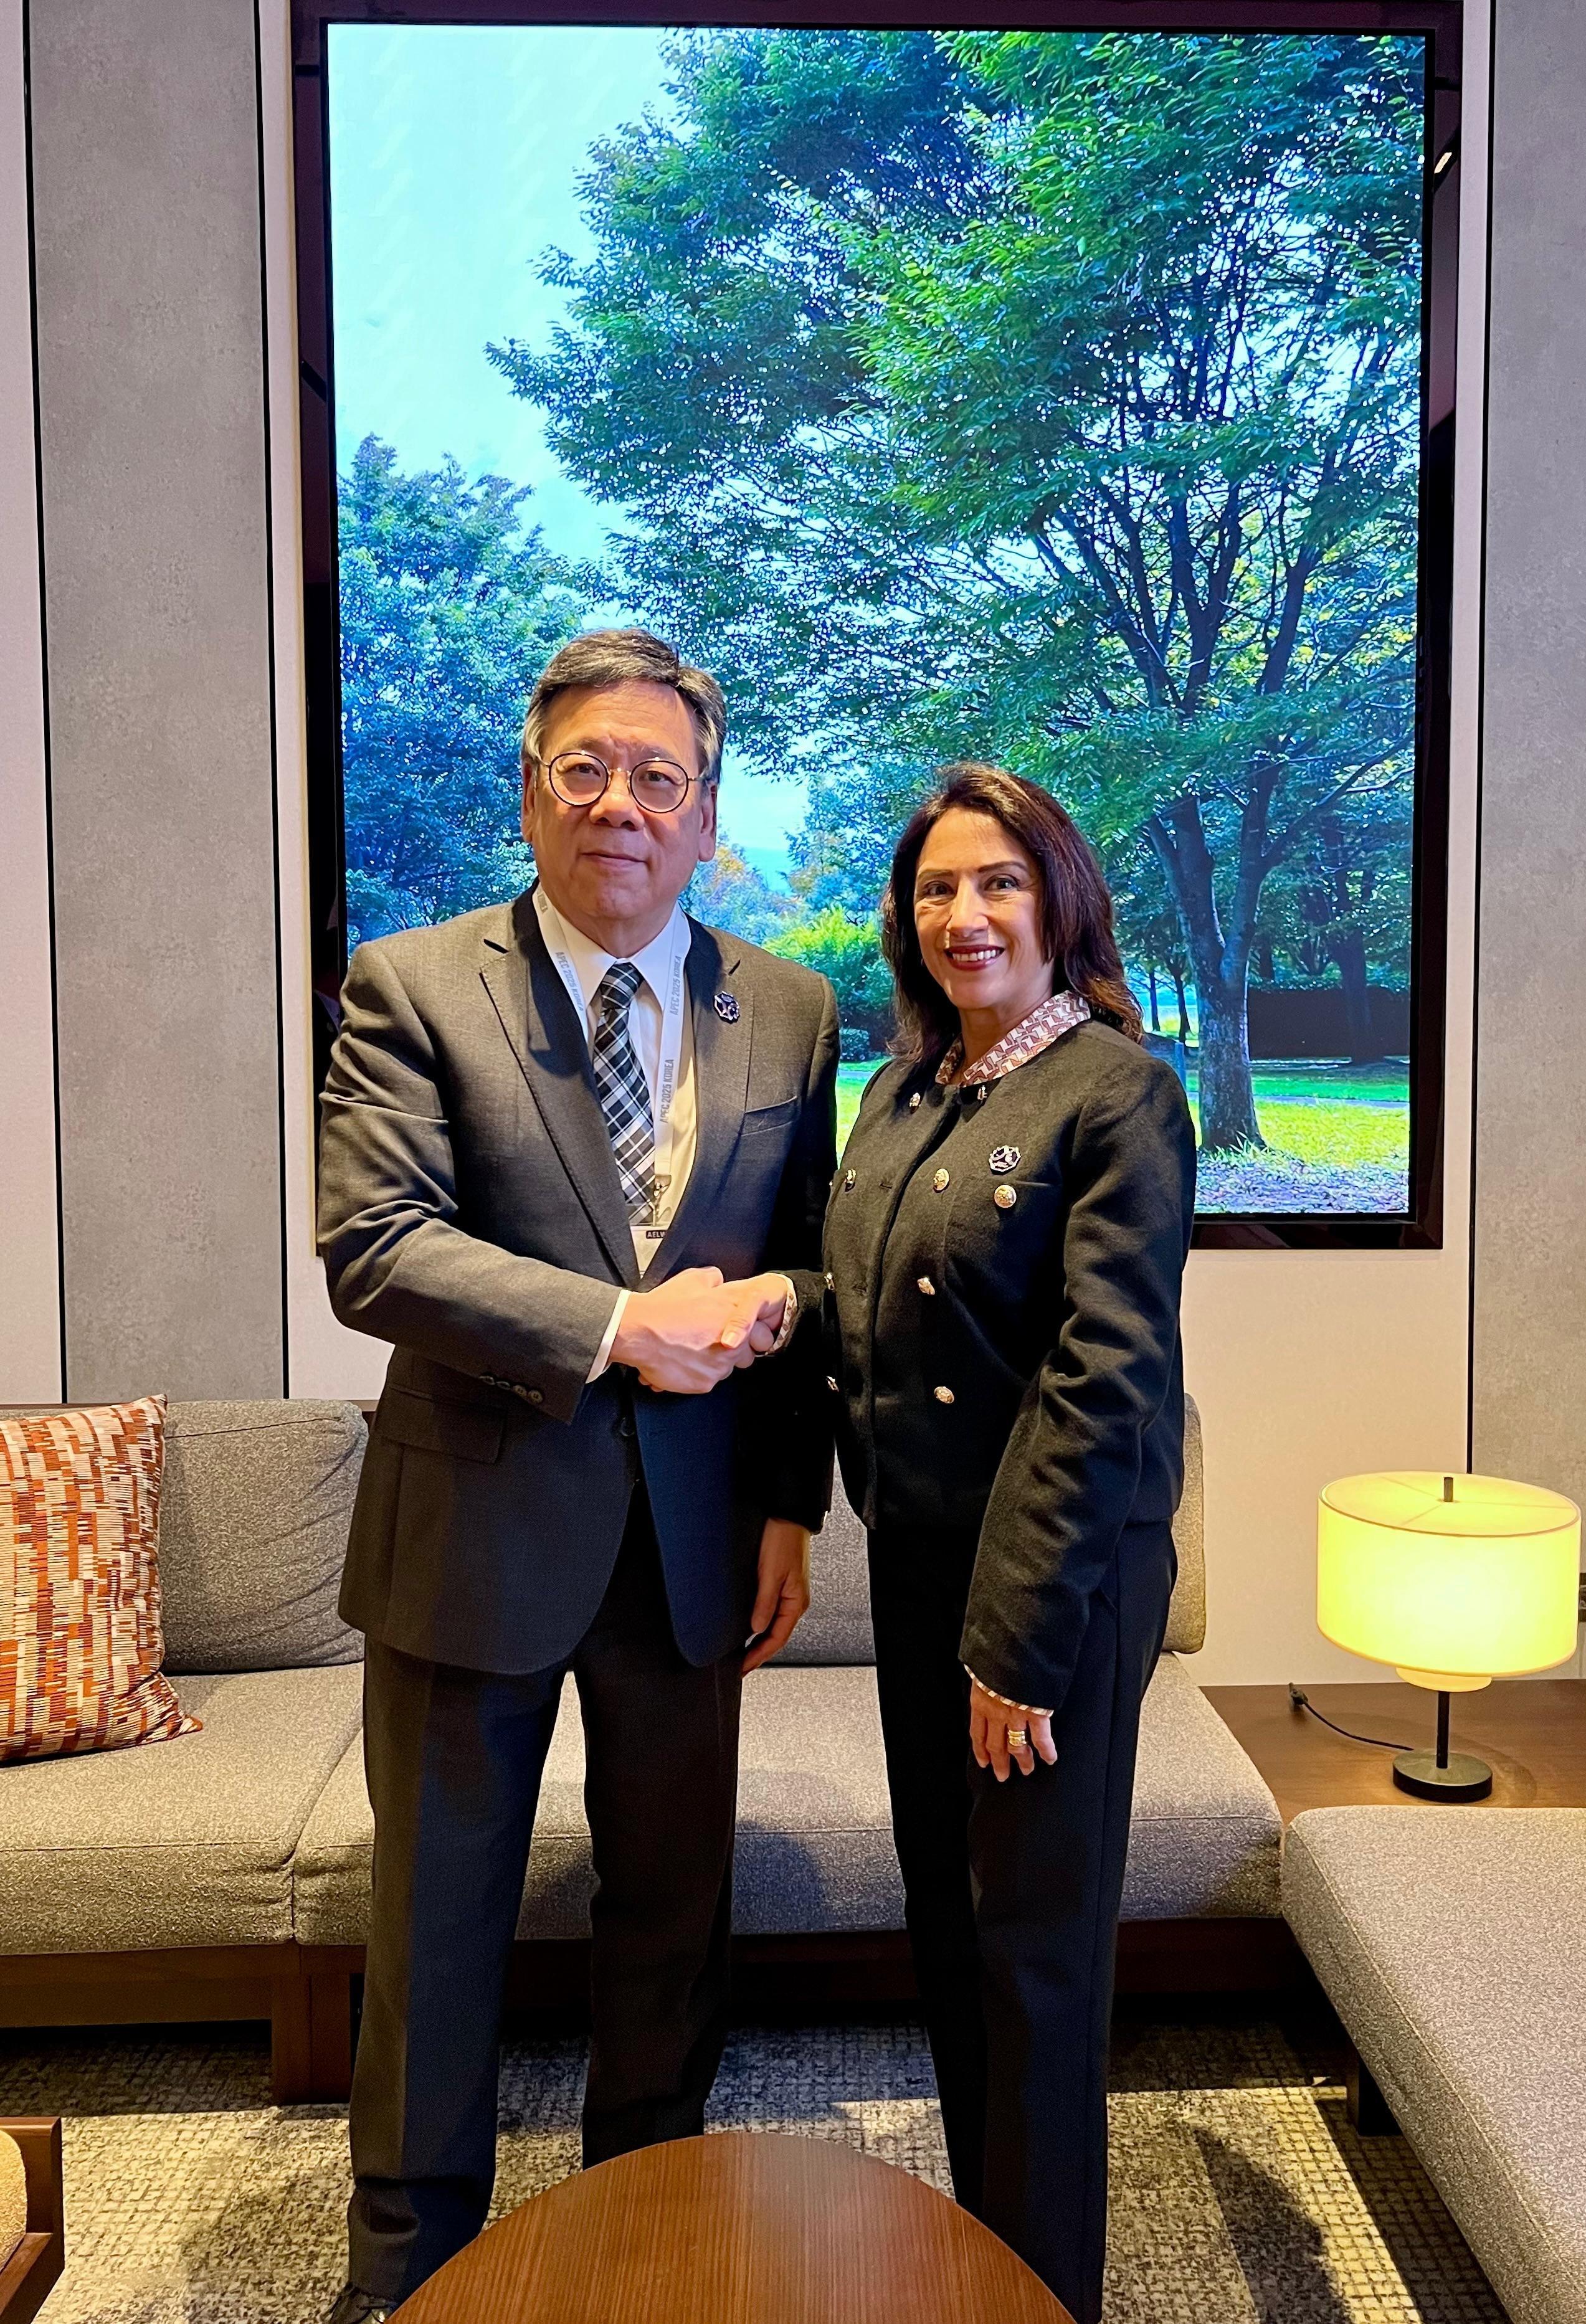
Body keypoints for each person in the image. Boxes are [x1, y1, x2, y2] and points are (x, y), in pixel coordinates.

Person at [316, 628, 839, 2323]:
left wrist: (787, 1503)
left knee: (672, 1908)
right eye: (586, 769)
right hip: (471, 1526)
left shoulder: (791, 1008)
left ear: (706, 819)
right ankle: (410, 2269)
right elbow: (375, 1247)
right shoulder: (411, 984)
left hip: (697, 1537)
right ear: (532, 797)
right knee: (438, 1914)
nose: (623, 803)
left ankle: (644, 2227)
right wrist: (620, 1324)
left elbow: (812, 1264)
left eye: (659, 777)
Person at [824, 762, 1195, 2324]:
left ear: (1059, 902)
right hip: (916, 1558)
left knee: (1033, 1952)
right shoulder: (903, 1090)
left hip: (1049, 1580)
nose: (963, 915)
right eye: (935, 889)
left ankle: (1044, 2293)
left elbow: (1103, 1376)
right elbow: (855, 1304)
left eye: (998, 883)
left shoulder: (1117, 1091)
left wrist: (1019, 1644)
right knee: (949, 1921)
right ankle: (985, 2258)